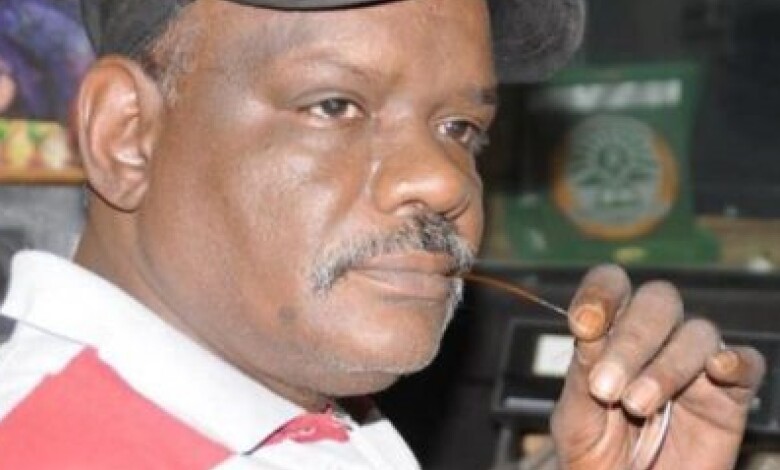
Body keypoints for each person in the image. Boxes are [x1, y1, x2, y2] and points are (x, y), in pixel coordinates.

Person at [0, 0, 765, 468]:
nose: (445, 180)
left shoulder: (269, 413)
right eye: (334, 106)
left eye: (461, 128)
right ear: (127, 135)